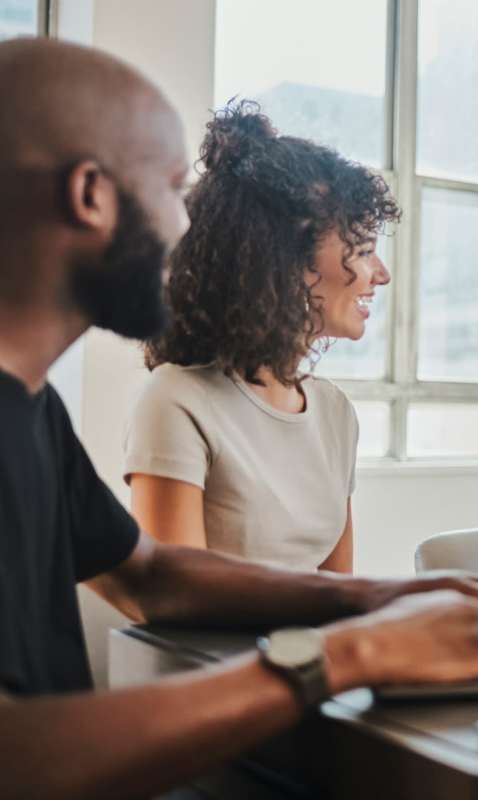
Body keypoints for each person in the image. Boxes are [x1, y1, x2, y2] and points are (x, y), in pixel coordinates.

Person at [0, 38, 478, 799]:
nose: (186, 232)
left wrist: (379, 601)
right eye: (169, 191)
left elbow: (150, 572)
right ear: (90, 195)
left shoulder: (30, 410)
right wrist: (348, 654)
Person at [126, 101, 394, 573]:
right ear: (287, 260)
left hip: (314, 647)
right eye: (366, 250)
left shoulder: (334, 413)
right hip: (216, 650)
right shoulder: (177, 401)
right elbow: (177, 603)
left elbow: (339, 594)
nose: (382, 274)